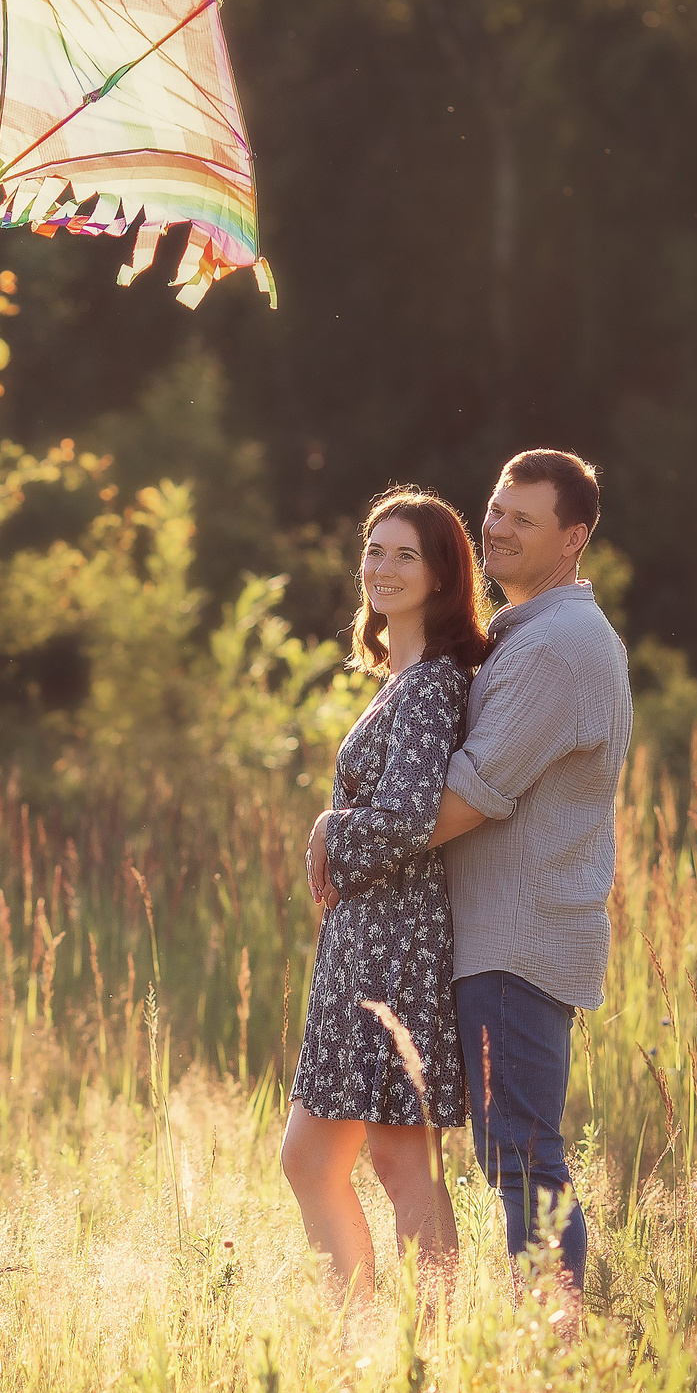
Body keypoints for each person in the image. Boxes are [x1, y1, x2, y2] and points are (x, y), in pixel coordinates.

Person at [425, 449, 630, 1299]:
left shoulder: (557, 647)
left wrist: (354, 844)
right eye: (496, 510)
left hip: (518, 940)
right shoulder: (533, 634)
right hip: (508, 936)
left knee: (520, 1152)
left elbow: (472, 795)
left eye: (524, 518)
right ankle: (552, 1332)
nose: (498, 528)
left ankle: (556, 1343)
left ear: (572, 539)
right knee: (515, 1147)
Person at [285, 489, 492, 1304]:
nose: (383, 567)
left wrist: (329, 831)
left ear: (444, 574)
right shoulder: (401, 679)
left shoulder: (435, 684)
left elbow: (409, 817)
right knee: (310, 1158)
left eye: (406, 553)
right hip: (359, 941)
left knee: (402, 1159)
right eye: (375, 550)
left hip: (397, 943)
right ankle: (360, 1329)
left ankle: (433, 1342)